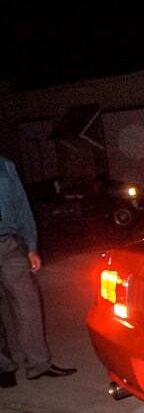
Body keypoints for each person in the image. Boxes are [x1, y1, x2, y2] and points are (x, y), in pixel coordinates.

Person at [0, 155, 76, 388]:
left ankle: (38, 364)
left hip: (9, 243)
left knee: (28, 304)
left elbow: (22, 207)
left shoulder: (4, 165)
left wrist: (32, 246)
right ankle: (3, 367)